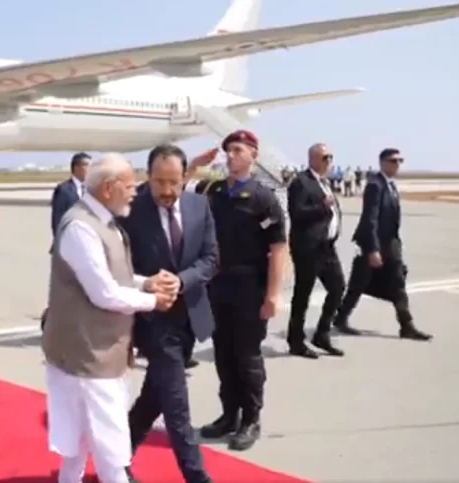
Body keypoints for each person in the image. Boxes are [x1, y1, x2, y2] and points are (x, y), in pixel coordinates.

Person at [42, 153, 177, 483]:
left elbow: (113, 275)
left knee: (81, 445)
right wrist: (153, 301)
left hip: (98, 352)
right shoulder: (81, 228)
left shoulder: (105, 222)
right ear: (107, 188)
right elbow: (103, 293)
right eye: (129, 187)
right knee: (110, 449)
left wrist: (145, 283)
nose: (135, 193)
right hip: (87, 357)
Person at [119, 144, 217, 483]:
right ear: (148, 177)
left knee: (154, 398)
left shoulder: (198, 205)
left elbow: (210, 258)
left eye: (174, 182)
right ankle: (197, 477)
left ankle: (116, 457)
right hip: (153, 322)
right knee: (177, 408)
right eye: (159, 181)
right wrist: (147, 285)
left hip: (189, 318)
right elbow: (117, 268)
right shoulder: (130, 211)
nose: (167, 190)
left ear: (185, 177)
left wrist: (182, 280)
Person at [189, 130, 288, 451]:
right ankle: (229, 415)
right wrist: (194, 165)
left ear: (253, 156)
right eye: (228, 150)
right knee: (223, 354)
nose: (231, 156)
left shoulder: (264, 198)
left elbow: (278, 249)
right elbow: (175, 191)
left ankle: (251, 419)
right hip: (218, 287)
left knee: (247, 357)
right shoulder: (213, 191)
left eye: (238, 150)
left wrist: (272, 295)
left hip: (250, 288)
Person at [332, 148, 432, 341]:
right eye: (393, 161)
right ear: (382, 163)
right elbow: (370, 219)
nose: (397, 165)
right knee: (358, 283)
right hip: (373, 243)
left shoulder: (391, 186)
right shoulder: (375, 185)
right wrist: (373, 249)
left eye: (400, 161)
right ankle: (341, 317)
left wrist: (396, 244)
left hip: (390, 244)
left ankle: (407, 326)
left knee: (398, 283)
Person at [286, 143, 346, 358]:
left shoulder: (324, 182)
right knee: (303, 295)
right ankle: (296, 341)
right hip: (308, 248)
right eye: (324, 157)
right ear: (312, 159)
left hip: (326, 247)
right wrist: (323, 206)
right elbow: (297, 212)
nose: (329, 161)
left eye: (330, 157)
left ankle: (322, 333)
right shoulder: (301, 182)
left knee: (338, 287)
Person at [41, 152, 91, 331]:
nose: (90, 170)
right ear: (77, 167)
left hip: (86, 247)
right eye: (87, 166)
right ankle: (54, 322)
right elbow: (57, 220)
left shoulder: (91, 190)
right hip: (67, 248)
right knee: (63, 288)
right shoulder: (64, 190)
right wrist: (63, 245)